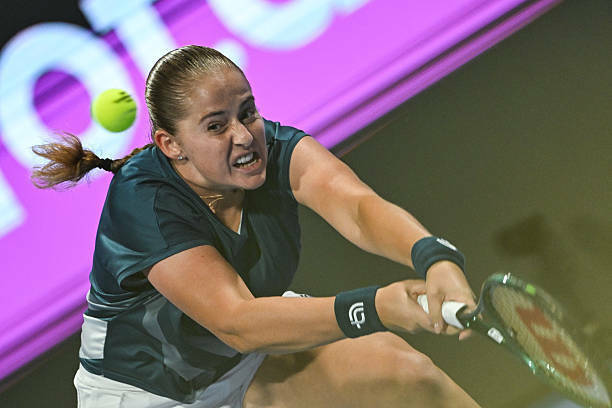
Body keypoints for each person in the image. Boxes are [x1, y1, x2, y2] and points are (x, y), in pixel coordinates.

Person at [32, 45, 481, 407]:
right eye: (216, 126)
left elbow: (359, 208)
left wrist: (434, 257)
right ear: (171, 145)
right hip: (149, 393)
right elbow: (237, 322)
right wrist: (377, 307)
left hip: (244, 361)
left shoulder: (276, 149)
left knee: (409, 377)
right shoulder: (142, 201)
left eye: (247, 112)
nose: (245, 136)